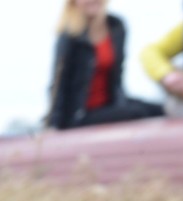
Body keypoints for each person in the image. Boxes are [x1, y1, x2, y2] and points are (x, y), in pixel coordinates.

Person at [47, 0, 164, 130]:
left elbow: (117, 79)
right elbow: (58, 85)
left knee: (158, 110)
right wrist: (53, 124)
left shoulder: (116, 27)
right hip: (80, 113)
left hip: (110, 103)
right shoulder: (69, 37)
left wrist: (121, 104)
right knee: (137, 113)